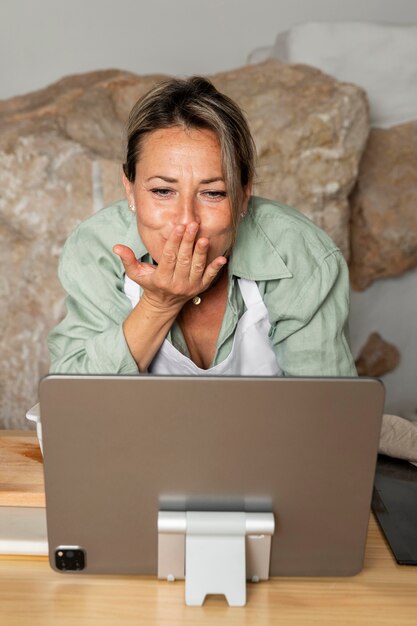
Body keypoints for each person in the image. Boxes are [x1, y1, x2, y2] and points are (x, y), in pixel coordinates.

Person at [48, 76, 357, 377]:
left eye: (213, 193)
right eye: (162, 191)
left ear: (243, 194)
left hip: (271, 431)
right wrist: (159, 305)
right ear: (129, 189)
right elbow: (74, 400)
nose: (187, 221)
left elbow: (326, 415)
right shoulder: (96, 248)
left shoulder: (299, 251)